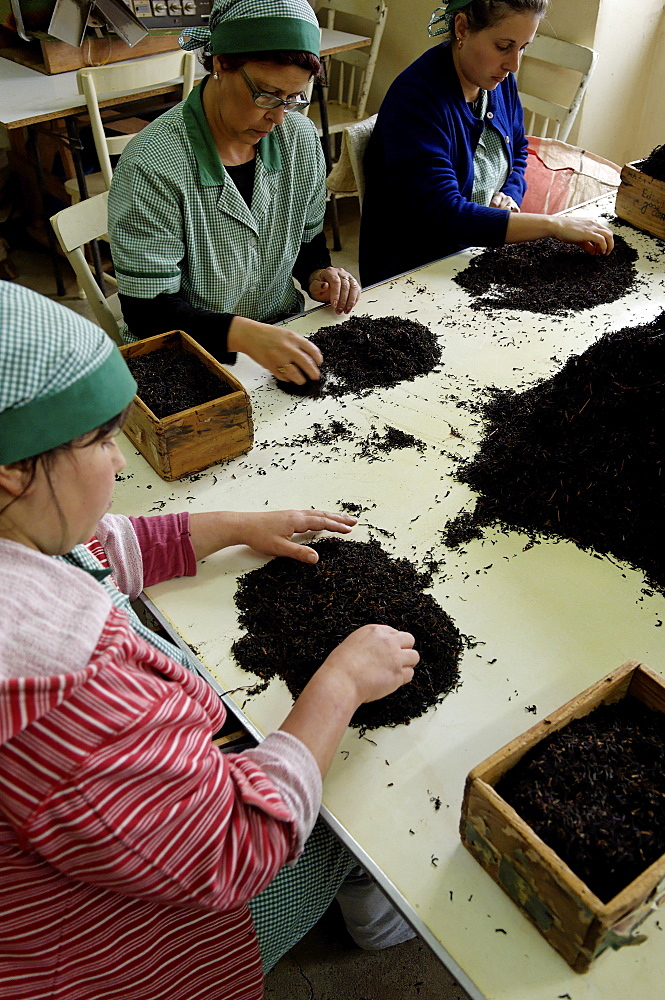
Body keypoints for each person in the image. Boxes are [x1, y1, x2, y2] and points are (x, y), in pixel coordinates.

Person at [0, 280, 418, 1000]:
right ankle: (375, 919)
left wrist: (230, 525)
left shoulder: (24, 532)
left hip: (86, 852)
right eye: (101, 441)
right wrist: (340, 682)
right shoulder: (59, 684)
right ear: (11, 470)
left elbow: (99, 546)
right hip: (115, 952)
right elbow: (235, 844)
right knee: (359, 816)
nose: (123, 463)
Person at [108, 0, 361, 389]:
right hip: (187, 358)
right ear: (221, 64)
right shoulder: (154, 164)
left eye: (294, 98)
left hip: (276, 336)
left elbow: (307, 240)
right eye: (268, 95)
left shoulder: (300, 139)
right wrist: (245, 335)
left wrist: (317, 274)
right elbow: (148, 312)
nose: (278, 117)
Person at [359, 0, 614, 287]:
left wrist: (509, 196)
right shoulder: (417, 101)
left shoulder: (499, 81)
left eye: (523, 48)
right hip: (413, 271)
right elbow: (445, 214)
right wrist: (552, 225)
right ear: (462, 28)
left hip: (474, 252)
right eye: (504, 47)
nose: (513, 64)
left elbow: (519, 148)